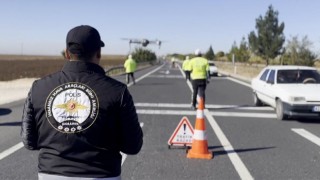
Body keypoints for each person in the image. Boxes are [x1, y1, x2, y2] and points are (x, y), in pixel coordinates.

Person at [21, 25, 143, 180]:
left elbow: (29, 141)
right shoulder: (118, 91)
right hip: (102, 174)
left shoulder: (38, 87)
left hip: (50, 174)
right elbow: (133, 146)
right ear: (99, 53)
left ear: (66, 53)